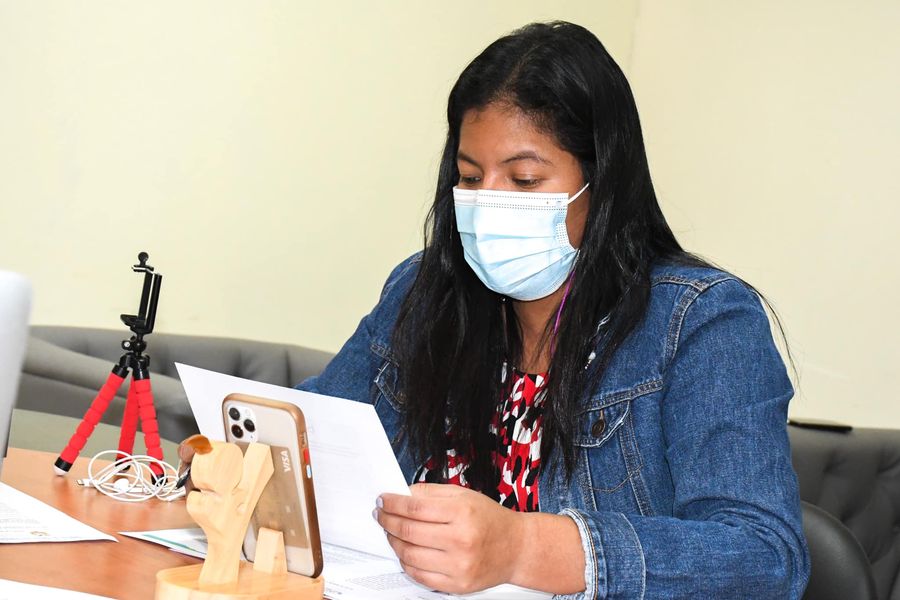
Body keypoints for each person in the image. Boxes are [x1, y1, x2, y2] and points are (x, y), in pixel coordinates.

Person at [182, 21, 809, 599]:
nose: (488, 203)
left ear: (603, 184)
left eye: (524, 179)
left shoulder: (703, 324)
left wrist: (523, 548)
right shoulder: (424, 291)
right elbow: (320, 427)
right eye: (470, 176)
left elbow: (765, 558)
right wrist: (238, 458)